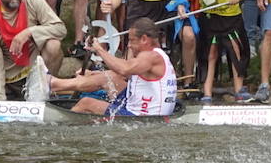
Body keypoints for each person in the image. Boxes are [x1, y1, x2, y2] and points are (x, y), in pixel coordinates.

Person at [50, 17, 179, 117]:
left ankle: (61, 123)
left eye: (131, 40)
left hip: (141, 118)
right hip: (135, 105)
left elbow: (125, 68)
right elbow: (123, 73)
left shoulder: (151, 56)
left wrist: (99, 50)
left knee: (86, 102)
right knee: (109, 77)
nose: (128, 45)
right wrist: (93, 74)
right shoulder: (154, 56)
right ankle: (54, 84)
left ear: (144, 39)